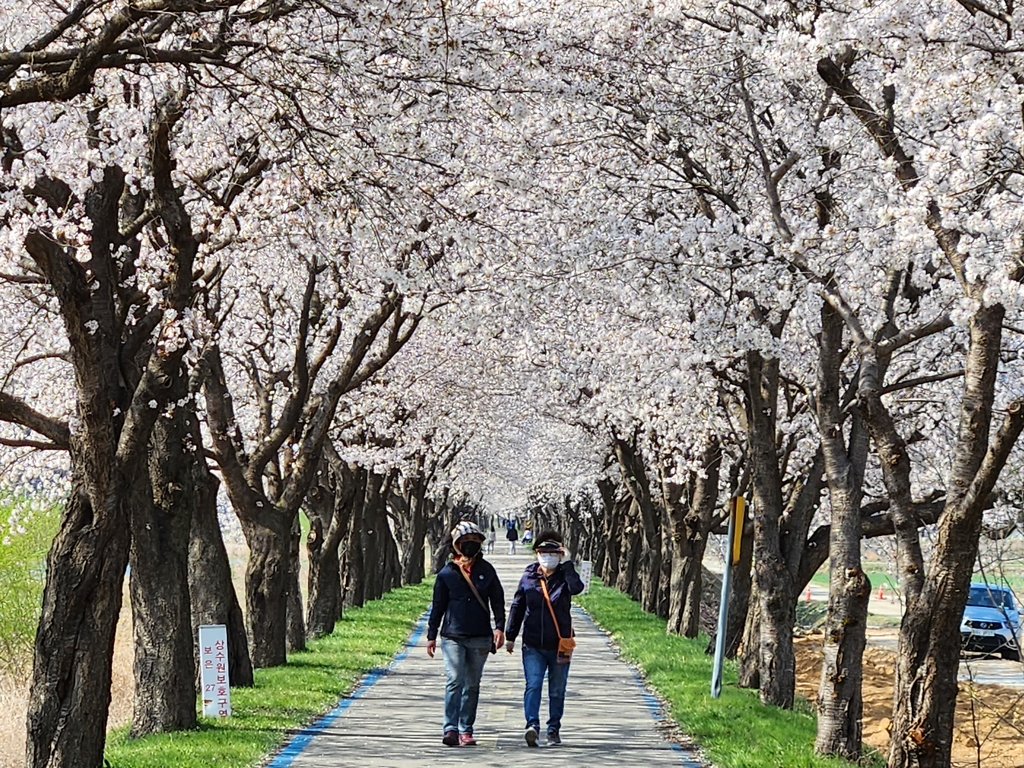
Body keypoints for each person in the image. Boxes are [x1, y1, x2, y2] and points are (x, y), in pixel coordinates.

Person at [426, 521, 506, 747]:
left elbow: (497, 601)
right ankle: (450, 728)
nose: (470, 546)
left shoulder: (487, 570)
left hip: (480, 636)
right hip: (452, 636)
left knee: (472, 684)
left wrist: (499, 627)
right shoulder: (446, 574)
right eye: (465, 542)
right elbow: (438, 605)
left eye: (474, 542)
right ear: (456, 545)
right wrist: (431, 635)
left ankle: (466, 729)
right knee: (454, 680)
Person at [504, 530, 584, 747]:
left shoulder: (565, 577)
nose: (548, 556)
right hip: (533, 644)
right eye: (543, 552)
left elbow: (577, 588)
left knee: (557, 689)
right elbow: (518, 605)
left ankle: (553, 729)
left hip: (560, 644)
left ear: (560, 554)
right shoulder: (528, 576)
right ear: (537, 554)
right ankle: (532, 725)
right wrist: (510, 635)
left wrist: (568, 565)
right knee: (534, 684)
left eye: (553, 553)